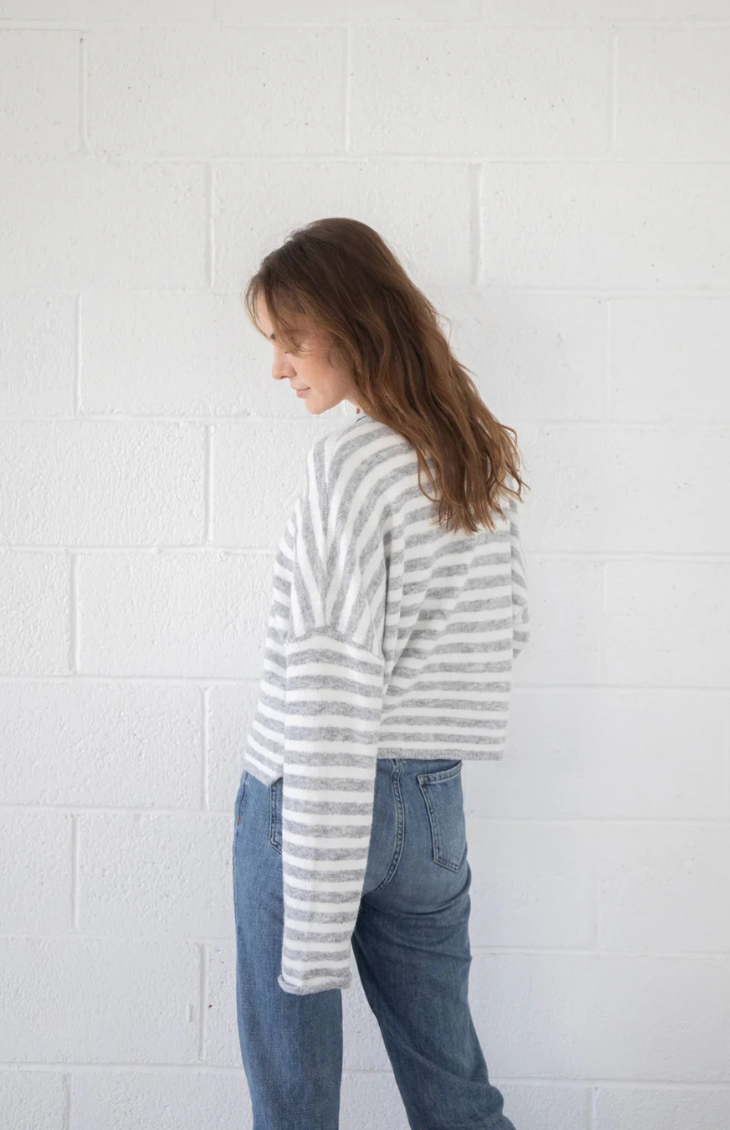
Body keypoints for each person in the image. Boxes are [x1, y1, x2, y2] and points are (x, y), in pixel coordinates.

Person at [231, 217, 529, 1129]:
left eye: (291, 340)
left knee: (296, 1105)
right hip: (433, 804)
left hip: (316, 798)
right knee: (456, 1095)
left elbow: (329, 684)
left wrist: (315, 925)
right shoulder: (470, 453)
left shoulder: (350, 466)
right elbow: (508, 627)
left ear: (352, 324)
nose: (278, 368)